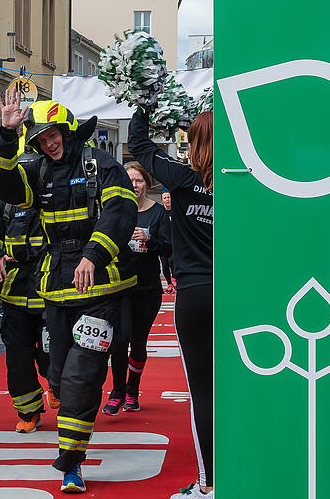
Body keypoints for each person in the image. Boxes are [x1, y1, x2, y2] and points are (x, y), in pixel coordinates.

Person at [0, 92, 137, 493]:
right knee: (58, 374)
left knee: (82, 376)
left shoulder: (102, 165)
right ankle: (65, 429)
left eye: (53, 135)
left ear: (68, 131)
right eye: (41, 139)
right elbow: (0, 182)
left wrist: (94, 255)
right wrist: (5, 134)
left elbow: (121, 212)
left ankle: (72, 463)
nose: (49, 143)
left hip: (100, 285)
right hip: (56, 288)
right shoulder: (36, 172)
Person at [128, 110, 213, 499]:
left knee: (204, 392)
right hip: (240, 294)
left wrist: (144, 104)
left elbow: (141, 146)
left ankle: (209, 482)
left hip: (195, 293)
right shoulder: (248, 178)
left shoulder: (182, 178)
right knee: (242, 384)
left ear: (192, 145)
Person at [0, 179, 50, 433]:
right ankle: (29, 412)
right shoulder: (3, 205)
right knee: (18, 359)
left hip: (52, 294)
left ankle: (57, 386)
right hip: (15, 296)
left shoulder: (56, 195)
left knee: (52, 354)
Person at [102, 162, 171, 415]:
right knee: (118, 341)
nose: (134, 185)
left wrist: (150, 239)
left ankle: (132, 391)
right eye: (129, 181)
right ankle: (117, 392)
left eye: (139, 181)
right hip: (120, 287)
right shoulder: (116, 212)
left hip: (147, 287)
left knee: (138, 343)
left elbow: (169, 248)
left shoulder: (158, 213)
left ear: (146, 184)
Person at [160, 189, 175, 293]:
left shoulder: (176, 211)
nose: (167, 199)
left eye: (169, 197)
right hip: (163, 242)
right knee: (165, 265)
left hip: (175, 242)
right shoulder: (161, 212)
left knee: (173, 262)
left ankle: (174, 279)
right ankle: (169, 283)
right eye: (165, 198)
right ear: (162, 200)